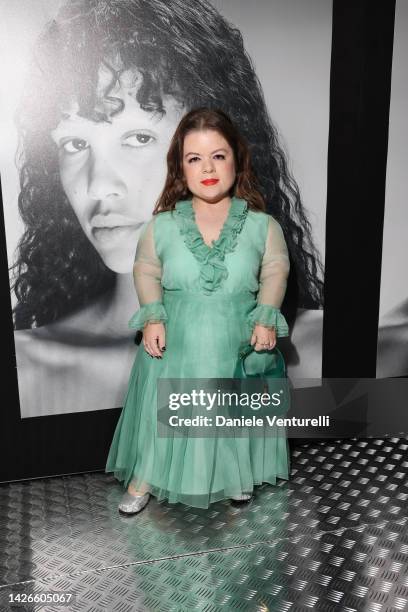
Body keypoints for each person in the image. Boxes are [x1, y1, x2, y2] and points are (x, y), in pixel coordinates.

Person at [9, 0, 324, 418]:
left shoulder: (335, 353)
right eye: (74, 144)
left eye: (138, 138)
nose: (99, 185)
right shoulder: (24, 371)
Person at [105, 107, 291, 512]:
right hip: (177, 342)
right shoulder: (162, 226)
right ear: (180, 167)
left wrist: (266, 315)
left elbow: (276, 269)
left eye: (218, 156)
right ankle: (145, 479)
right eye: (194, 158)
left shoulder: (262, 226)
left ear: (237, 160)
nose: (207, 167)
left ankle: (235, 475)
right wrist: (153, 315)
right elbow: (146, 269)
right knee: (165, 413)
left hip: (236, 339)